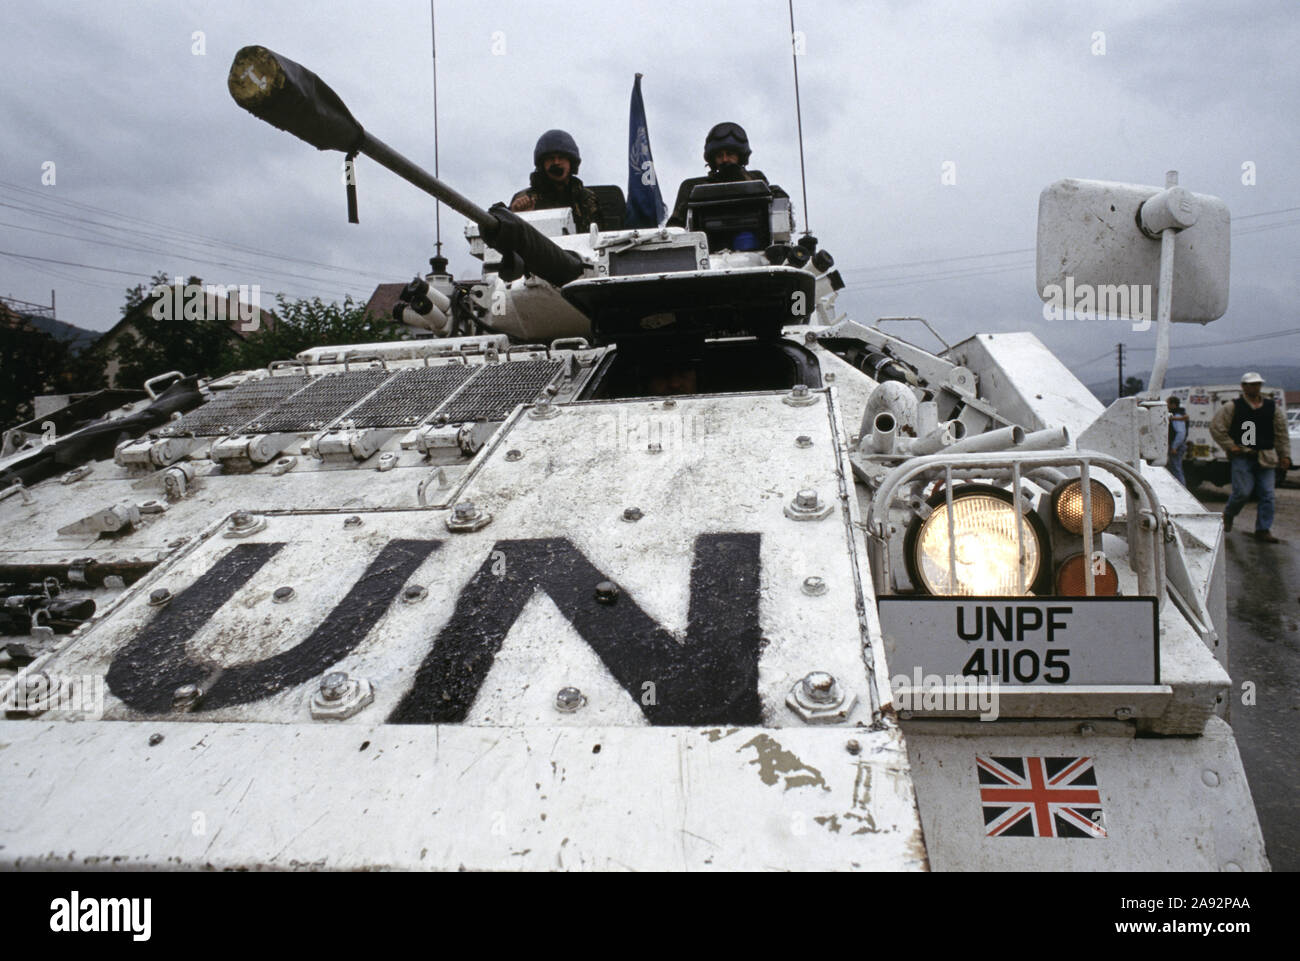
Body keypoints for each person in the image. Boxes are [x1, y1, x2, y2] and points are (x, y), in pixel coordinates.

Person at [1210, 372, 1292, 542]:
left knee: (1267, 494)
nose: (1254, 387)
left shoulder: (1271, 407)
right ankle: (1229, 514)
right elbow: (1217, 427)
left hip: (1266, 455)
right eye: (1251, 384)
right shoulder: (1233, 406)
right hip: (1243, 455)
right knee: (1242, 492)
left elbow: (1281, 433)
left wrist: (1285, 455)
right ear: (1244, 386)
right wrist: (1229, 445)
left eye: (1257, 384)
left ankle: (1263, 529)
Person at [666, 122, 788, 228]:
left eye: (729, 154)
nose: (724, 159)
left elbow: (779, 206)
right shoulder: (692, 187)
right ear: (713, 160)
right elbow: (675, 227)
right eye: (719, 156)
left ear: (740, 156)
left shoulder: (757, 181)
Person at [509, 129, 601, 232]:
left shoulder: (586, 199)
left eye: (561, 157)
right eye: (550, 158)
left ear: (571, 163)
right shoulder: (525, 199)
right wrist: (518, 217)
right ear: (542, 165)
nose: (556, 162)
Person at [1166, 396, 1189, 485]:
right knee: (1175, 468)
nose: (1166, 405)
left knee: (1176, 469)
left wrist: (1174, 446)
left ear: (1173, 404)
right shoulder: (1179, 414)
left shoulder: (1177, 415)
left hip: (1177, 446)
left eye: (1168, 403)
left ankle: (1182, 490)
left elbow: (1180, 433)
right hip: (1177, 445)